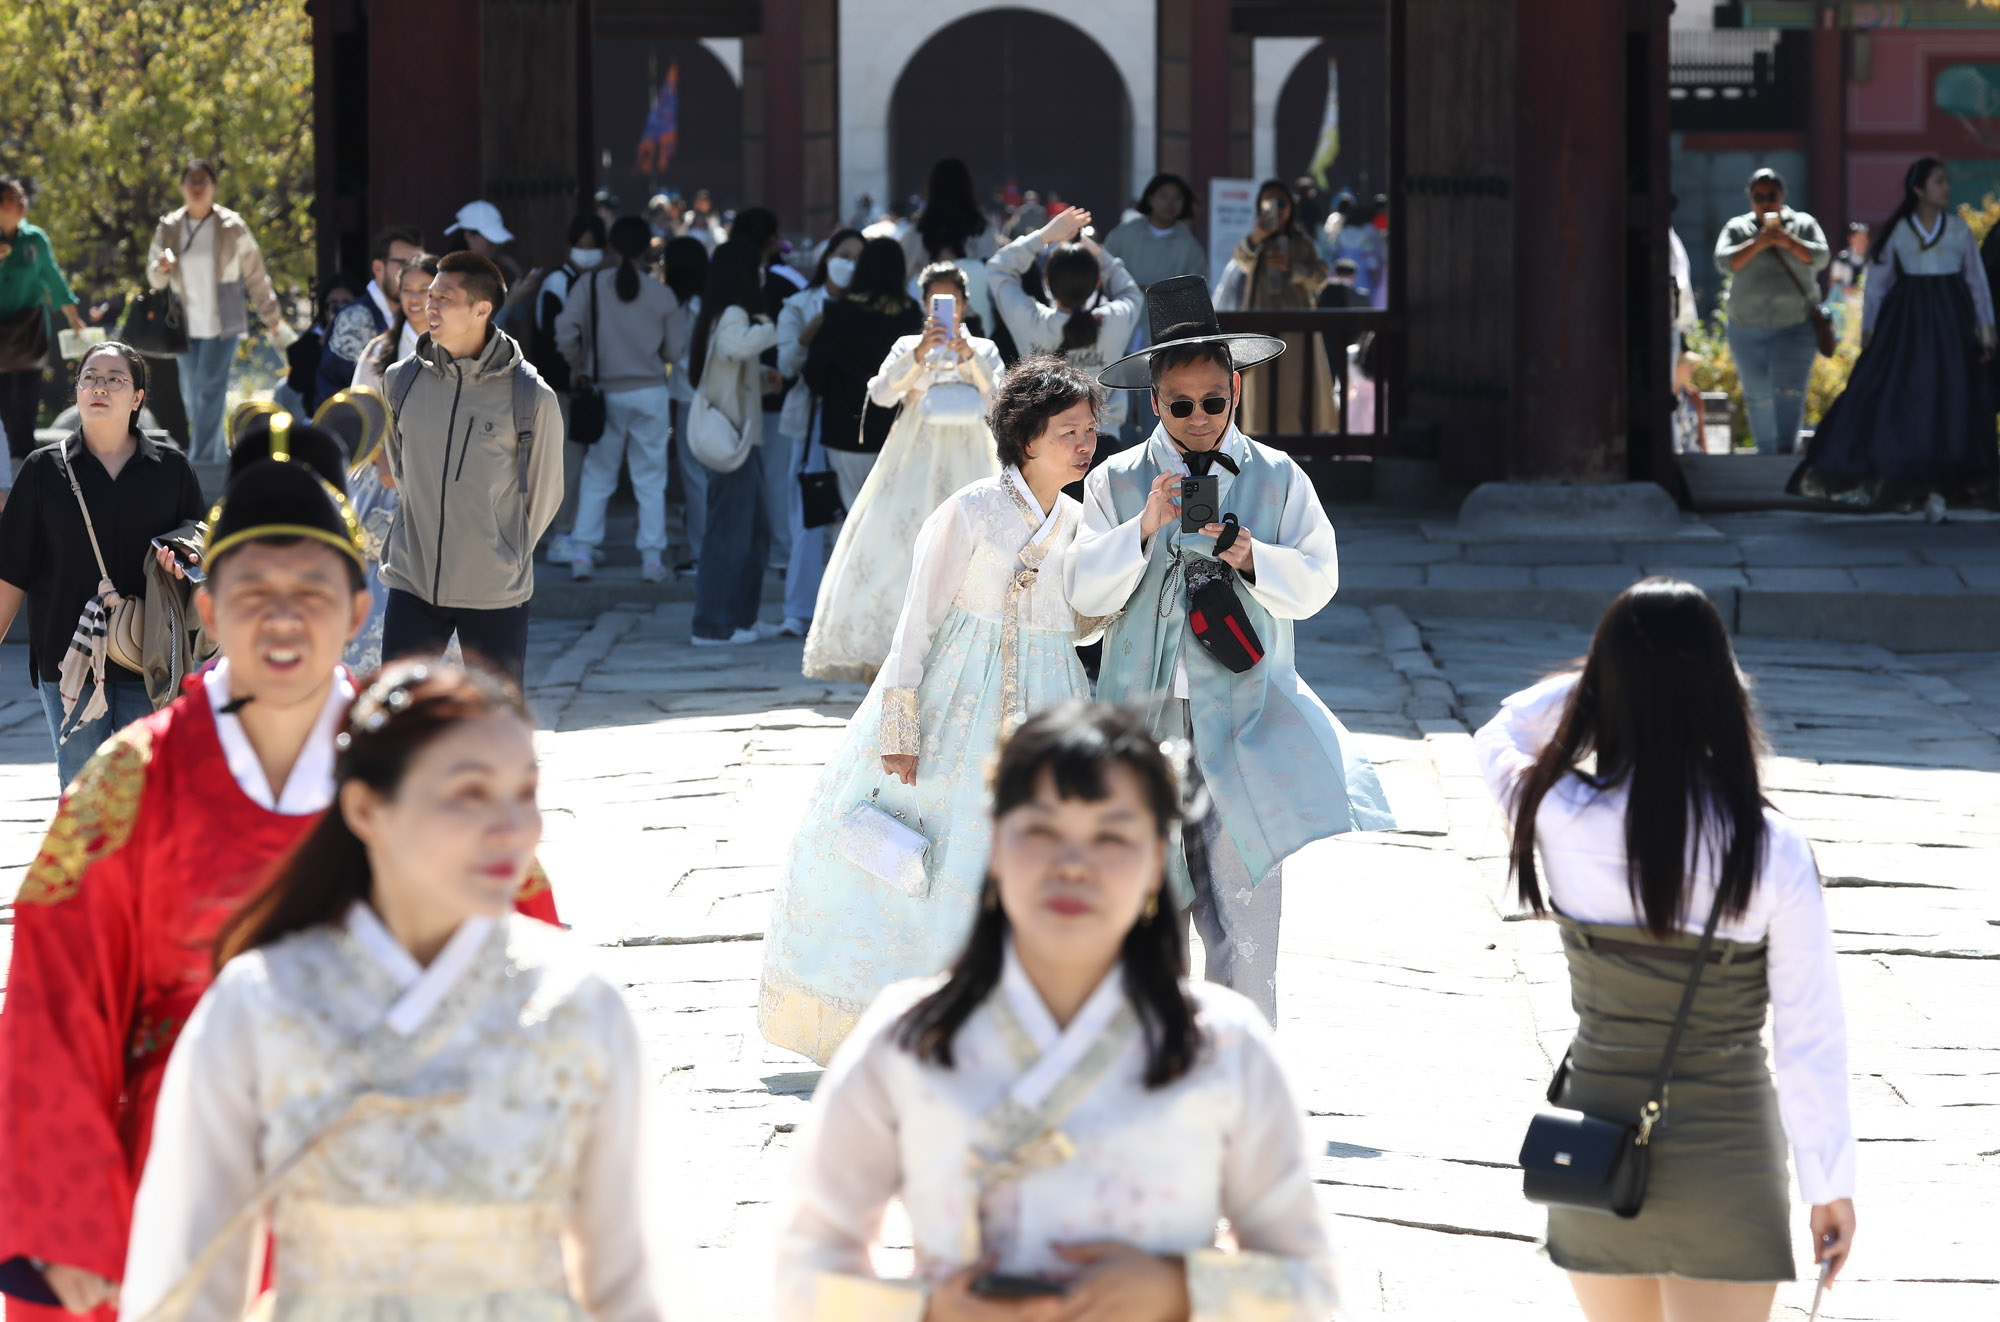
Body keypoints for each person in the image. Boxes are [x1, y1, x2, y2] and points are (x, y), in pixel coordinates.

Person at [0, 411, 561, 1322]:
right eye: (253, 588)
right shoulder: (131, 783)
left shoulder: (432, 778)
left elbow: (526, 968)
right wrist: (69, 1230)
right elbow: (51, 1008)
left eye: (315, 587)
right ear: (209, 609)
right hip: (184, 1181)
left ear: (359, 608)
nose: (286, 614)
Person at [118, 660, 652, 1322]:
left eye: (525, 793)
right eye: (470, 794)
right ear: (366, 808)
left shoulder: (579, 1002)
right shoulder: (263, 1002)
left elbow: (626, 1285)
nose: (513, 828)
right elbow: (187, 1283)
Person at [774, 702, 1338, 1319]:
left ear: (1157, 862)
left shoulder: (1224, 1047)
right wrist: (927, 1309)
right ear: (993, 845)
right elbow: (805, 1267)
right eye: (1041, 831)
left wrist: (1177, 1292)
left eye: (1111, 837)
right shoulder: (911, 1037)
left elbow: (1310, 1285)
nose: (1073, 865)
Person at [1473, 579, 1855, 1322]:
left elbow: (1501, 735)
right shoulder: (1770, 847)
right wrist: (1828, 1183)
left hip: (1595, 1144)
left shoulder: (1560, 812)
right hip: (1728, 1158)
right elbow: (1811, 1037)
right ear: (1722, 690)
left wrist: (1610, 677)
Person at [1066, 277, 1395, 1023]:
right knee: (1137, 912)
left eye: (1213, 402)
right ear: (1153, 402)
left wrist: (1253, 559)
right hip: (1139, 723)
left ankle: (1243, 1075)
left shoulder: (1278, 476)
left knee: (1245, 913)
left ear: (1236, 393)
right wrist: (1141, 530)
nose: (1198, 420)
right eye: (1180, 405)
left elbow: (1318, 581)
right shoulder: (1116, 481)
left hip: (1245, 720)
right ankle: (1144, 1070)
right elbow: (1081, 597)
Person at [759, 355, 1103, 1064]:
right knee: (934, 863)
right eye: (1070, 430)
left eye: (1090, 430)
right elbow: (915, 624)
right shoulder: (970, 511)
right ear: (1028, 437)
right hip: (957, 701)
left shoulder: (1077, 522)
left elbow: (1082, 622)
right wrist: (900, 727)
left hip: (1048, 698)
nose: (1084, 444)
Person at [0, 344, 204, 785]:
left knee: (145, 796)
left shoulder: (172, 469)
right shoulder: (42, 470)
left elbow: (198, 554)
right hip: (67, 659)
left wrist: (180, 564)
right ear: (76, 392)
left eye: (115, 379)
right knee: (82, 797)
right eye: (90, 377)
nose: (100, 387)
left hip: (148, 660)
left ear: (137, 398)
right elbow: (11, 569)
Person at [801, 262, 1003, 683]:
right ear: (923, 304)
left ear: (965, 304)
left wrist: (970, 360)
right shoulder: (909, 344)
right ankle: (893, 647)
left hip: (970, 457)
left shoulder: (982, 348)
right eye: (934, 302)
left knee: (971, 550)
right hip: (913, 455)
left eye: (951, 301)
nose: (944, 309)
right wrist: (918, 356)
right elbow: (880, 393)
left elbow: (1000, 404)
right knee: (899, 546)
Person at [379, 252, 564, 687]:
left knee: (496, 725)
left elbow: (545, 493)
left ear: (482, 309)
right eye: (429, 296)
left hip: (493, 589)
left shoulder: (530, 396)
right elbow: (401, 471)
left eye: (445, 297)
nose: (431, 306)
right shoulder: (400, 381)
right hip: (413, 580)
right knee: (395, 720)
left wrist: (505, 552)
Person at [1789, 157, 1997, 517]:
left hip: (1951, 321)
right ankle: (1896, 474)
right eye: (1938, 181)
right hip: (1908, 324)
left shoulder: (1958, 230)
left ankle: (1949, 478)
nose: (1946, 188)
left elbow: (1976, 282)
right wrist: (1869, 332)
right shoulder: (1899, 231)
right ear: (1918, 190)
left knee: (1952, 395)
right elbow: (1878, 288)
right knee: (1900, 393)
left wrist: (1985, 327)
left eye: (1946, 181)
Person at [557, 216, 686, 583]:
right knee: (651, 478)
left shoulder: (590, 285)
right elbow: (676, 350)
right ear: (648, 248)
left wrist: (578, 363)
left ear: (610, 247)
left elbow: (565, 331)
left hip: (605, 391)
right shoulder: (661, 294)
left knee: (598, 474)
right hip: (650, 392)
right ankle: (651, 559)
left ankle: (582, 552)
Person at [144, 160, 293, 462]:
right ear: (182, 187)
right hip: (183, 325)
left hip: (223, 325)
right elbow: (154, 279)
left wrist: (272, 318)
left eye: (203, 181)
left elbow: (255, 274)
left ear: (214, 187)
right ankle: (218, 459)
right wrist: (160, 268)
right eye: (191, 181)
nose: (197, 187)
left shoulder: (231, 225)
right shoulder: (170, 227)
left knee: (210, 392)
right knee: (191, 396)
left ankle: (199, 463)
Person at [774, 228, 867, 634]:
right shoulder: (798, 304)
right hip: (811, 421)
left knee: (855, 518)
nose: (848, 263)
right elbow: (787, 365)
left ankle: (848, 611)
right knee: (809, 515)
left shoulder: (870, 309)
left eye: (857, 257)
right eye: (842, 254)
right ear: (827, 256)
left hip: (857, 425)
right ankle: (799, 609)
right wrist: (816, 326)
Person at [688, 240, 781, 646]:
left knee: (755, 534)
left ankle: (741, 620)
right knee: (730, 535)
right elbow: (733, 346)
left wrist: (761, 379)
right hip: (734, 440)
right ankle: (713, 624)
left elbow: (729, 366)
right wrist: (769, 328)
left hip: (742, 437)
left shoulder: (722, 313)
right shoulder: (735, 314)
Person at [989, 207, 1144, 435]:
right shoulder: (1113, 320)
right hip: (1104, 440)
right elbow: (1131, 292)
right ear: (1097, 283)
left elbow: (999, 267)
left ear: (1047, 283)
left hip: (1047, 441)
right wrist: (1096, 251)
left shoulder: (1032, 321)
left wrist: (1044, 236)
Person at [801, 237, 926, 511]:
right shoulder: (912, 315)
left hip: (844, 429)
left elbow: (814, 375)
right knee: (889, 518)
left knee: (850, 520)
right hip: (898, 432)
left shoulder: (838, 313)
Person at [1713, 168, 1830, 456]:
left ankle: (1785, 452)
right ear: (1751, 199)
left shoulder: (1803, 224)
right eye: (1759, 197)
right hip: (1746, 326)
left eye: (1772, 196)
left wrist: (1788, 242)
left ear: (1783, 196)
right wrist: (1758, 243)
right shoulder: (1738, 227)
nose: (1766, 203)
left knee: (1791, 392)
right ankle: (1766, 453)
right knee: (1758, 395)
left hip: (1795, 325)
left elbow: (1821, 257)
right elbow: (1724, 262)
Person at [0, 176, 87, 496]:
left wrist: (74, 317)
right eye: (12, 197)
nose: (21, 201)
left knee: (24, 406)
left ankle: (22, 479)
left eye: (22, 195)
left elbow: (53, 277)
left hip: (28, 336)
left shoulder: (35, 239)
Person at [1230, 179, 1335, 438]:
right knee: (1260, 389)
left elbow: (1321, 276)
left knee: (1295, 387)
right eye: (1269, 203)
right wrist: (1257, 235)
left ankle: (1297, 442)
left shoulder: (1301, 242)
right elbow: (1241, 259)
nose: (1276, 209)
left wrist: (1292, 268)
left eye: (1282, 203)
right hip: (1260, 327)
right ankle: (1258, 441)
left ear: (1291, 207)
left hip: (1297, 329)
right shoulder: (1256, 241)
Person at [534, 214, 608, 570]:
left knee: (588, 466)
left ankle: (580, 534)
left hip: (587, 386)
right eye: (584, 246)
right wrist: (567, 381)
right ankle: (560, 535)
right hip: (564, 389)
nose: (589, 253)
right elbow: (548, 339)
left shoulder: (597, 282)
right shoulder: (557, 284)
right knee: (567, 464)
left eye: (595, 247)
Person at [733, 207, 804, 574]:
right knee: (778, 478)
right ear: (772, 240)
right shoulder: (789, 280)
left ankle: (749, 548)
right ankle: (780, 547)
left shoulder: (727, 277)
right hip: (778, 389)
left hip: (733, 394)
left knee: (739, 478)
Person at [316, 224, 426, 408]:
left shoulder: (416, 315)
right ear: (378, 268)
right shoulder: (356, 319)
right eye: (404, 265)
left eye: (419, 263)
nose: (412, 273)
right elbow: (335, 396)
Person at [904, 157, 999, 338]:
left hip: (926, 328)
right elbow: (995, 277)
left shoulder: (917, 232)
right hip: (980, 321)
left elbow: (904, 275)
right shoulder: (982, 230)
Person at [660, 237, 710, 575]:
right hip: (711, 395)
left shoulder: (680, 305)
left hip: (691, 395)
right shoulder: (711, 302)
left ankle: (701, 551)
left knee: (695, 478)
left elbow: (675, 353)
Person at [273, 273, 365, 419]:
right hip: (316, 413)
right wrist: (325, 338)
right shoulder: (315, 336)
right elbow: (297, 381)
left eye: (346, 304)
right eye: (332, 305)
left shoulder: (370, 334)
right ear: (324, 308)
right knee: (283, 388)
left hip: (356, 411)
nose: (339, 310)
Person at [1103, 173, 1207, 293]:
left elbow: (1199, 292)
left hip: (1169, 311)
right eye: (1164, 196)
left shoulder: (1190, 247)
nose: (1170, 203)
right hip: (1127, 310)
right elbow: (1104, 272)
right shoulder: (1123, 234)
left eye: (1177, 198)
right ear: (1151, 199)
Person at [350, 255, 436, 395]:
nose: (414, 299)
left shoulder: (458, 347)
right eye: (407, 290)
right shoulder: (379, 349)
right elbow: (361, 408)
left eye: (423, 290)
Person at [442, 199, 524, 288]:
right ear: (469, 236)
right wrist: (513, 299)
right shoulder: (452, 274)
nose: (495, 246)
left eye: (497, 242)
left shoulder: (498, 265)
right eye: (490, 242)